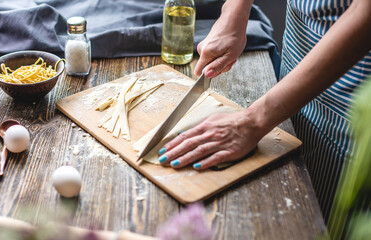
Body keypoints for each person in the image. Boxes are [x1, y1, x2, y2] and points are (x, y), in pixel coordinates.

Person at [157, 0, 371, 223]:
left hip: (351, 99)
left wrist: (253, 120)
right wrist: (234, 11)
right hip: (300, 47)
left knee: (327, 220)